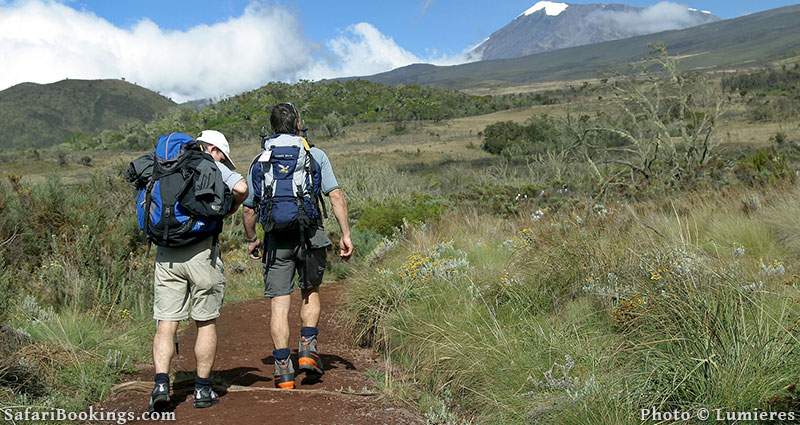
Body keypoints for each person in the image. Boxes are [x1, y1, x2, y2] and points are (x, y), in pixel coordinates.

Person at [242, 103, 353, 389]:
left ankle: (283, 370)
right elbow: (336, 195)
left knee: (279, 304)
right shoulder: (315, 154)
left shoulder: (260, 159)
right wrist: (345, 234)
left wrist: (253, 239)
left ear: (271, 126)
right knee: (310, 291)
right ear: (297, 124)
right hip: (311, 234)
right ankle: (306, 351)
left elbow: (248, 210)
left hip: (276, 239)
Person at [149, 130, 248, 410]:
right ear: (213, 148)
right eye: (220, 154)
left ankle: (160, 385)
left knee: (166, 324)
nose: (220, 160)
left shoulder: (164, 163)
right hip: (202, 252)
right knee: (205, 322)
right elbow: (241, 189)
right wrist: (228, 209)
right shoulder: (210, 163)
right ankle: (203, 390)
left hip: (166, 253)